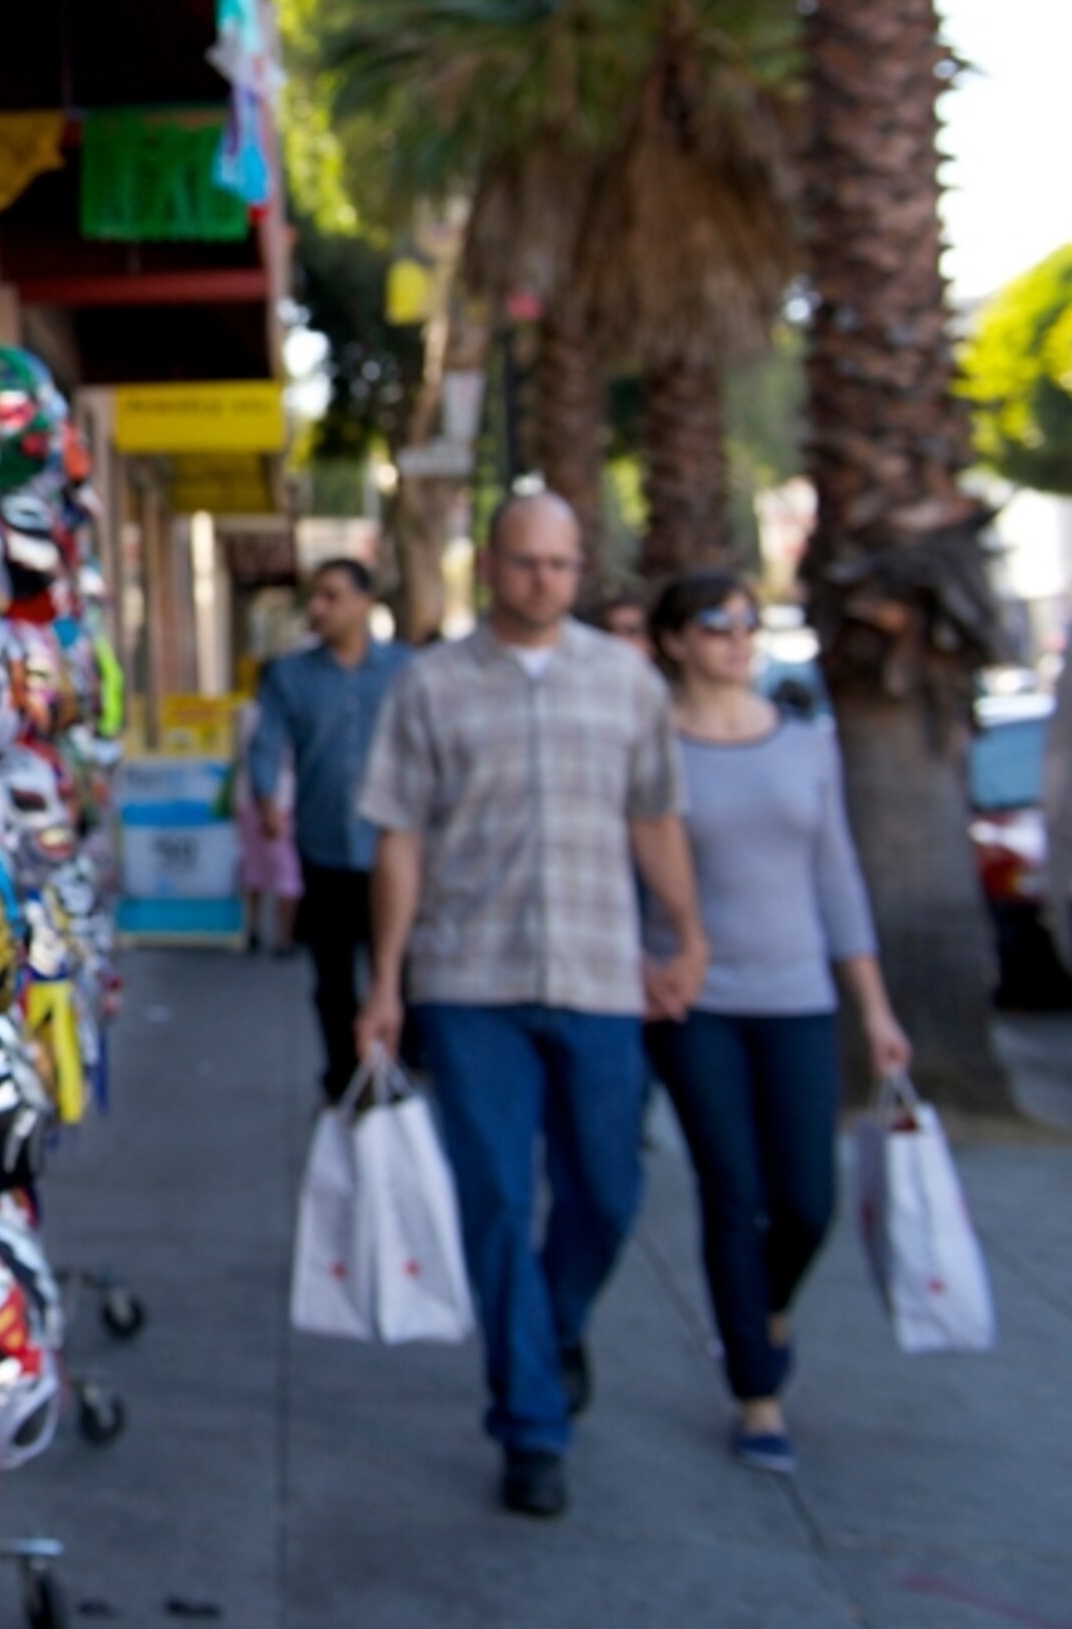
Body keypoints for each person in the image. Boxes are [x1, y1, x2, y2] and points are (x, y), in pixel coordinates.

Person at [355, 492, 710, 1522]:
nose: (543, 580)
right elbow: (400, 839)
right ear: (492, 565)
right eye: (525, 562)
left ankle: (551, 1328)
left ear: (578, 563)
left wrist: (686, 933)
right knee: (499, 1200)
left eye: (560, 562)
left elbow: (655, 817)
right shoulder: (430, 686)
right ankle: (531, 1423)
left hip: (602, 976)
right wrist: (383, 984)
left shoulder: (627, 681)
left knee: (609, 1191)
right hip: (471, 981)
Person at [645, 568, 910, 1474]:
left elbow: (838, 879)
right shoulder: (655, 752)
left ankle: (770, 1306)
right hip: (700, 1007)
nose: (737, 638)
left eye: (748, 623)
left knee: (807, 1199)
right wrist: (651, 966)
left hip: (801, 1000)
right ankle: (758, 1394)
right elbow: (632, 875)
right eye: (716, 623)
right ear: (676, 640)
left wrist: (874, 1008)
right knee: (733, 1194)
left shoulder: (806, 744)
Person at [244, 560, 409, 1095]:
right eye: (316, 596)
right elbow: (267, 742)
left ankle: (399, 1066)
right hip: (327, 845)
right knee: (334, 976)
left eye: (332, 596)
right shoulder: (292, 676)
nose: (319, 608)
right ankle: (346, 1078)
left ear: (364, 603)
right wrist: (268, 797)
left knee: (401, 966)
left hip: (397, 850)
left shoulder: (406, 670)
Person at [232, 673, 303, 958]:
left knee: (256, 867)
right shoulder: (288, 715)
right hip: (280, 800)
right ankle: (283, 936)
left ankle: (254, 930)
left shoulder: (245, 713)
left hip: (249, 798)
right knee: (284, 870)